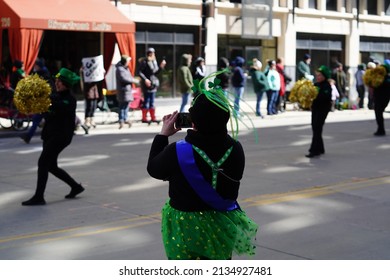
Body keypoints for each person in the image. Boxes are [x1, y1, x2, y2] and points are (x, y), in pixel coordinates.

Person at [147, 79, 258, 260]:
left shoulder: (177, 150)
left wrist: (162, 136)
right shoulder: (235, 148)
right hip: (222, 222)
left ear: (193, 122)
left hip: (185, 226)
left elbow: (154, 169)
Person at [22, 68, 84, 206]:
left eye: (60, 82)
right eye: (56, 81)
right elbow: (46, 110)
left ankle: (39, 197)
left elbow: (59, 106)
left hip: (61, 137)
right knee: (51, 166)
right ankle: (75, 187)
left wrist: (45, 100)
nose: (57, 84)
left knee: (43, 163)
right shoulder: (54, 96)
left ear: (66, 84)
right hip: (49, 135)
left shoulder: (70, 100)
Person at [20, 58, 55, 144]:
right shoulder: (41, 74)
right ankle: (29, 136)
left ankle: (30, 136)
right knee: (39, 120)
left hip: (44, 102)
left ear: (39, 66)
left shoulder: (43, 75)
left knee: (41, 120)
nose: (34, 67)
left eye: (35, 65)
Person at [306, 65, 332, 158]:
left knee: (317, 127)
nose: (318, 77)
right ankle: (320, 148)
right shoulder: (316, 85)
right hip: (316, 108)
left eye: (320, 75)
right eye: (317, 75)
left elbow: (325, 97)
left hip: (323, 109)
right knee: (315, 127)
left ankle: (314, 150)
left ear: (324, 76)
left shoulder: (327, 86)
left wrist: (316, 96)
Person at [138, 48, 166, 123]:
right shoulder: (144, 62)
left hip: (153, 84)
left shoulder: (154, 61)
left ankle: (153, 118)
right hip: (146, 85)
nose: (153, 54)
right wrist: (145, 79)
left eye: (153, 53)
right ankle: (144, 118)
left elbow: (155, 73)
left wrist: (161, 67)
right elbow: (139, 72)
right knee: (146, 101)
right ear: (148, 54)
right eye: (151, 53)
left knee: (152, 102)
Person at [115, 55, 138, 129]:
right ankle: (121, 119)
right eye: (128, 61)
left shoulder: (125, 68)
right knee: (122, 106)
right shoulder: (120, 69)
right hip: (123, 90)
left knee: (126, 105)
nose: (128, 63)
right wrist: (134, 80)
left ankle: (125, 118)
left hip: (127, 90)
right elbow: (124, 78)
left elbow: (129, 77)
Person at [372, 61, 390, 136]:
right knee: (379, 113)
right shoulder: (386, 78)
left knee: (378, 113)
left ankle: (381, 130)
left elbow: (375, 86)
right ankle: (380, 129)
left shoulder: (381, 79)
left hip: (380, 98)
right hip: (384, 98)